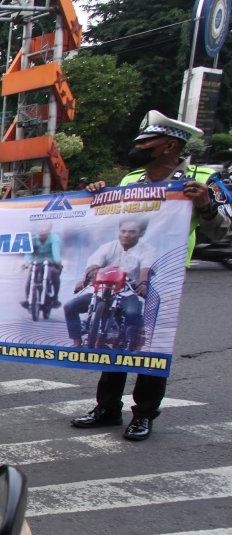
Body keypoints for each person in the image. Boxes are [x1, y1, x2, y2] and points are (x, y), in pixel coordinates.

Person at [70, 110, 230, 441]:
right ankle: (107, 408)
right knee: (114, 340)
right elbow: (107, 224)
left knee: (150, 348)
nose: (138, 147)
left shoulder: (202, 180)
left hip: (164, 280)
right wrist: (97, 195)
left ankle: (143, 414)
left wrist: (205, 205)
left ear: (169, 145)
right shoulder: (131, 181)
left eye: (146, 142)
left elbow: (220, 232)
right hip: (120, 277)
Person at [62, 217, 156, 351]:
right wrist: (86, 278)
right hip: (100, 289)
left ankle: (136, 342)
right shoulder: (107, 247)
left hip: (127, 291)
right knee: (70, 306)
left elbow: (145, 269)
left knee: (133, 313)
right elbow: (94, 264)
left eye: (132, 232)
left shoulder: (147, 250)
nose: (126, 235)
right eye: (123, 231)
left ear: (141, 233)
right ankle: (77, 341)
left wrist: (144, 284)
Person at [22, 223, 63, 309]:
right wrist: (27, 263)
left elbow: (56, 253)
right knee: (30, 278)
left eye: (45, 227)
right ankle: (28, 299)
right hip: (36, 261)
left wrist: (57, 262)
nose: (42, 229)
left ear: (49, 229)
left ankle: (55, 298)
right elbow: (28, 254)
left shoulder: (54, 238)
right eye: (40, 227)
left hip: (50, 262)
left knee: (55, 275)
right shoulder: (33, 238)